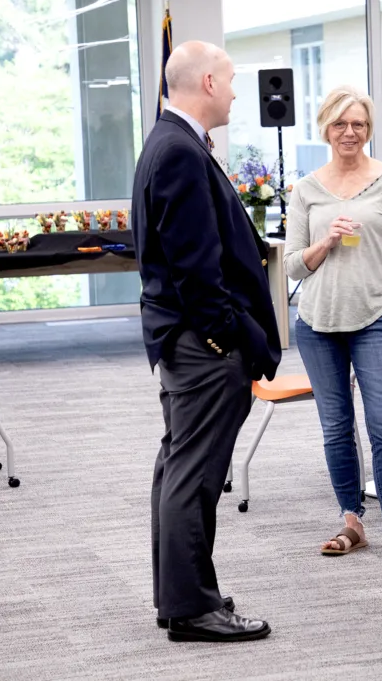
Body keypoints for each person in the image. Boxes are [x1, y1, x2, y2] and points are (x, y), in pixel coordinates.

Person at [131, 40, 280, 642]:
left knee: (178, 469)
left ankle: (183, 598)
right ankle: (192, 608)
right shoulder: (178, 151)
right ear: (210, 82)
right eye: (234, 80)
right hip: (201, 346)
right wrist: (223, 339)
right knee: (193, 475)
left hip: (186, 341)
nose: (240, 92)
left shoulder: (173, 142)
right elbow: (197, 268)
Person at [284, 85, 382, 562]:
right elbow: (292, 266)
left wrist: (373, 264)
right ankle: (352, 521)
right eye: (341, 124)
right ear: (326, 128)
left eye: (360, 124)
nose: (350, 132)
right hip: (317, 323)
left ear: (368, 130)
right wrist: (325, 243)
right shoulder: (306, 189)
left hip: (373, 319)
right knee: (336, 428)